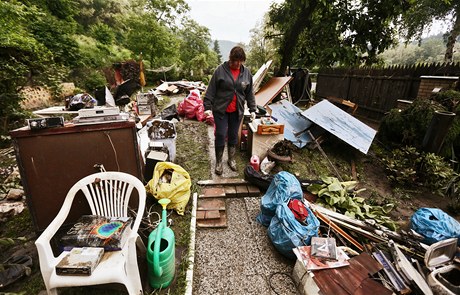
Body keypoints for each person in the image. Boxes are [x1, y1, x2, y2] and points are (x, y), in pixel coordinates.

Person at [204, 46, 257, 175]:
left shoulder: (246, 73)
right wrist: (207, 107)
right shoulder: (220, 71)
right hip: (221, 110)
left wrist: (252, 108)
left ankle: (231, 159)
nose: (237, 64)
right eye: (235, 61)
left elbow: (250, 93)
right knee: (221, 134)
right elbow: (211, 89)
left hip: (237, 111)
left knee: (233, 135)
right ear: (230, 59)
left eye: (240, 61)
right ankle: (218, 162)